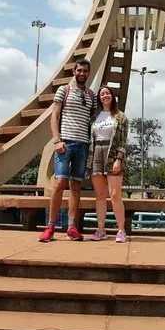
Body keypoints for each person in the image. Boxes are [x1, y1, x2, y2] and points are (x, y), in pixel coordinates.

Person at [38, 58, 97, 242]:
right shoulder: (64, 90)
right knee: (59, 183)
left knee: (76, 185)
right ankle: (50, 227)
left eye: (85, 71)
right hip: (65, 144)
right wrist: (57, 140)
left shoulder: (91, 95)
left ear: (89, 73)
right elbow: (54, 116)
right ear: (74, 71)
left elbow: (94, 119)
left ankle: (72, 227)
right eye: (79, 70)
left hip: (83, 145)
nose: (82, 73)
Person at [86, 86, 129, 243]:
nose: (105, 96)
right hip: (96, 153)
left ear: (112, 96)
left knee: (115, 194)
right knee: (100, 196)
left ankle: (121, 230)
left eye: (107, 93)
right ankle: (101, 230)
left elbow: (123, 141)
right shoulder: (94, 117)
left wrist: (119, 159)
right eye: (102, 94)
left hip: (112, 154)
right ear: (99, 98)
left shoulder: (120, 117)